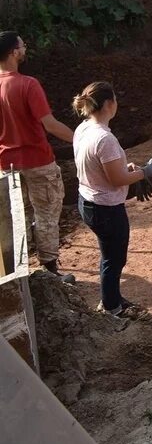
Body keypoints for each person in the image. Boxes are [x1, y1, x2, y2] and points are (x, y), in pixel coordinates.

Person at [72, 81, 152, 318]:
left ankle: (111, 299)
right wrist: (145, 172)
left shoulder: (83, 129)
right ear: (109, 104)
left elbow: (99, 167)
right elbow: (117, 179)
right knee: (114, 259)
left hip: (88, 201)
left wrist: (128, 168)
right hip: (106, 209)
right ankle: (112, 308)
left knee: (108, 255)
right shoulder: (105, 139)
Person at [0, 32, 76, 282]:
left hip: (6, 165)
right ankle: (50, 273)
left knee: (15, 219)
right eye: (22, 45)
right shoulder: (28, 84)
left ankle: (18, 276)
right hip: (38, 161)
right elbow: (50, 125)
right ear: (14, 52)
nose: (25, 48)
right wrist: (82, 139)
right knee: (46, 214)